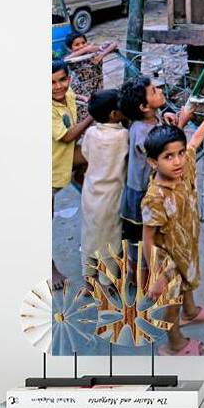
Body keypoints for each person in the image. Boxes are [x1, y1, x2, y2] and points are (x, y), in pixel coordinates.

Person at [141, 97, 204, 356]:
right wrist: (157, 275)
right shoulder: (154, 198)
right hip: (167, 259)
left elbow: (194, 142)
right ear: (153, 162)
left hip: (186, 244)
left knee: (188, 279)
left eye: (179, 154)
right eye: (168, 157)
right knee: (172, 303)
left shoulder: (184, 168)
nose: (178, 161)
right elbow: (148, 238)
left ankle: (190, 313)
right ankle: (174, 344)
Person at [118, 75, 190, 259]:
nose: (160, 90)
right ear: (144, 107)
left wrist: (164, 118)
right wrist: (181, 124)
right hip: (141, 193)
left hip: (146, 188)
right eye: (154, 91)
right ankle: (141, 271)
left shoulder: (147, 120)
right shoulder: (143, 132)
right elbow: (167, 151)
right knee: (141, 241)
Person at [51, 60, 94, 288]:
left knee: (95, 152)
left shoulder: (67, 94)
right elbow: (67, 136)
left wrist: (88, 100)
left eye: (62, 80)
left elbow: (75, 96)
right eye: (52, 83)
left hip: (66, 158)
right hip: (50, 169)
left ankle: (81, 179)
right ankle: (50, 267)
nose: (58, 86)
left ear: (69, 79)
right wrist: (92, 116)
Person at [80, 89, 129, 287]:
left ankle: (88, 274)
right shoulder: (123, 135)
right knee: (109, 239)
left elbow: (86, 153)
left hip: (90, 191)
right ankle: (106, 281)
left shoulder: (91, 133)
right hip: (111, 196)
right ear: (114, 114)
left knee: (90, 233)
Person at [64, 32, 119, 120]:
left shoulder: (94, 53)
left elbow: (114, 44)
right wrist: (86, 49)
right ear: (70, 49)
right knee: (84, 114)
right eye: (77, 45)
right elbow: (65, 60)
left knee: (100, 112)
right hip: (82, 91)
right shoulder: (73, 58)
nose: (81, 46)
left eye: (83, 42)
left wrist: (101, 55)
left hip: (97, 88)